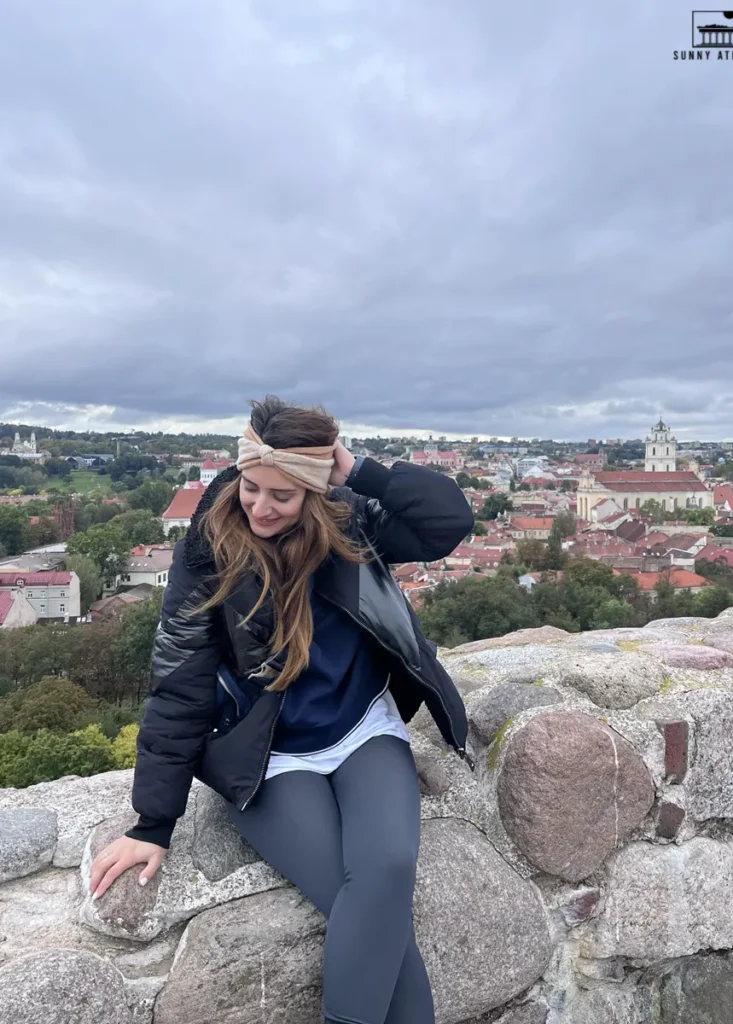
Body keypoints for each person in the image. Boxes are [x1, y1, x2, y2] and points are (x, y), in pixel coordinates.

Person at [89, 395, 474, 1024]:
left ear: (316, 493)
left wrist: (359, 472)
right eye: (251, 487)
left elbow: (447, 522)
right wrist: (152, 823)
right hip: (268, 751)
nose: (261, 507)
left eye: (282, 496)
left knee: (389, 866)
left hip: (360, 727)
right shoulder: (209, 546)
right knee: (369, 906)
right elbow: (180, 683)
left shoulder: (351, 519)